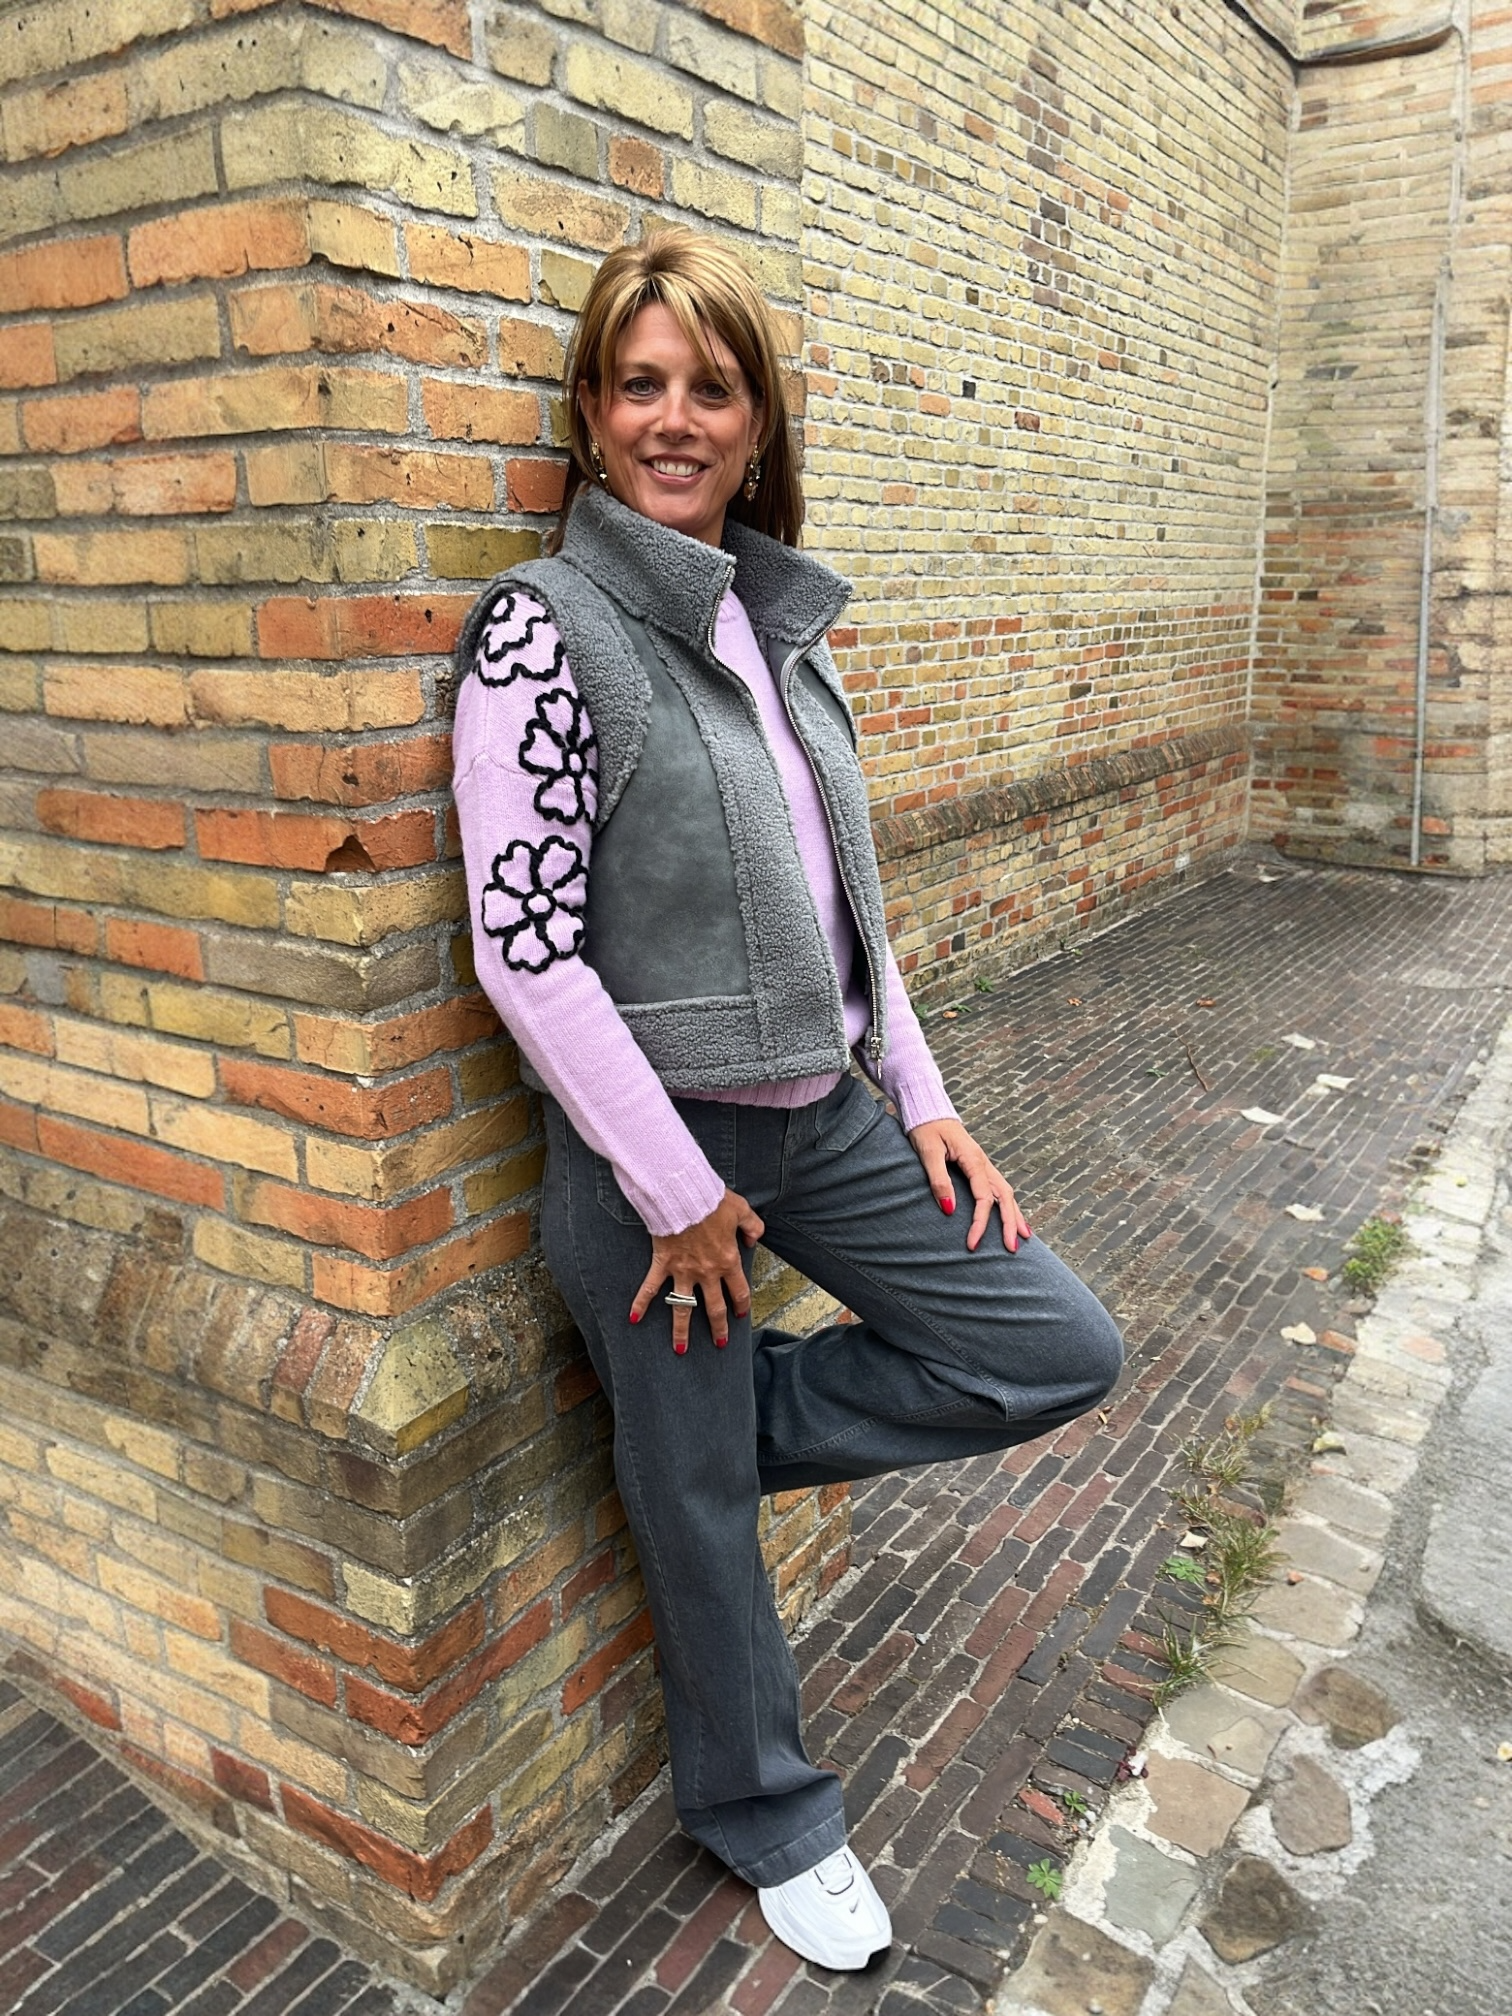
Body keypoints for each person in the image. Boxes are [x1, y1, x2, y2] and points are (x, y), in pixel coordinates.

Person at [451, 229, 1123, 1972]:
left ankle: (697, 1432)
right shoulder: (546, 630)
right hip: (656, 1160)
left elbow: (849, 909)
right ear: (592, 412)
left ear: (757, 424)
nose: (674, 419)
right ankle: (768, 1813)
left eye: (713, 387)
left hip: (825, 1123)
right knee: (702, 1529)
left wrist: (923, 1096)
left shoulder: (776, 624)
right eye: (640, 384)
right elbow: (526, 951)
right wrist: (676, 1193)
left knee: (1053, 1346)